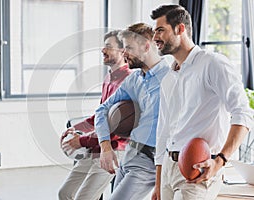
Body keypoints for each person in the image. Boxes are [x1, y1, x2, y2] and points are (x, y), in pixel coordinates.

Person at [150, 5, 253, 200]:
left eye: (160, 30)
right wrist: (158, 183)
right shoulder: (168, 78)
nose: (155, 37)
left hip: (198, 171)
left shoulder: (213, 64)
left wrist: (220, 161)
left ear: (180, 29)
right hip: (168, 170)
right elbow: (163, 131)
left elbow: (243, 113)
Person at [95, 23, 170, 200]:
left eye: (128, 47)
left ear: (146, 46)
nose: (124, 53)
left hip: (150, 162)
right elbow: (102, 110)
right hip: (130, 155)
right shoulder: (134, 79)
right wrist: (105, 145)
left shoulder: (172, 76)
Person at [58, 30, 131, 200]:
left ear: (122, 51)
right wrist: (73, 129)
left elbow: (117, 126)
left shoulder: (129, 80)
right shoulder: (109, 78)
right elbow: (99, 117)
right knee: (65, 193)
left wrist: (81, 140)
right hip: (96, 147)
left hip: (114, 150)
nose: (102, 50)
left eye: (108, 46)